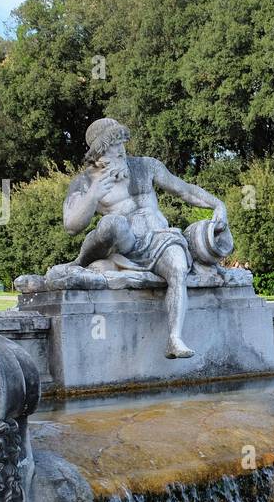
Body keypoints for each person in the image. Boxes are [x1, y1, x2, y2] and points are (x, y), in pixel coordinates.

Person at [59, 117, 231, 359]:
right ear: (100, 150)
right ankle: (80, 262)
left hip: (158, 239)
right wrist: (95, 193)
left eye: (122, 142)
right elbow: (72, 225)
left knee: (179, 268)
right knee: (113, 222)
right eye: (114, 144)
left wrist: (218, 204)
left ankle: (174, 339)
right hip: (124, 243)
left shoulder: (146, 166)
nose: (121, 149)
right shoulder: (86, 181)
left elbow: (184, 189)